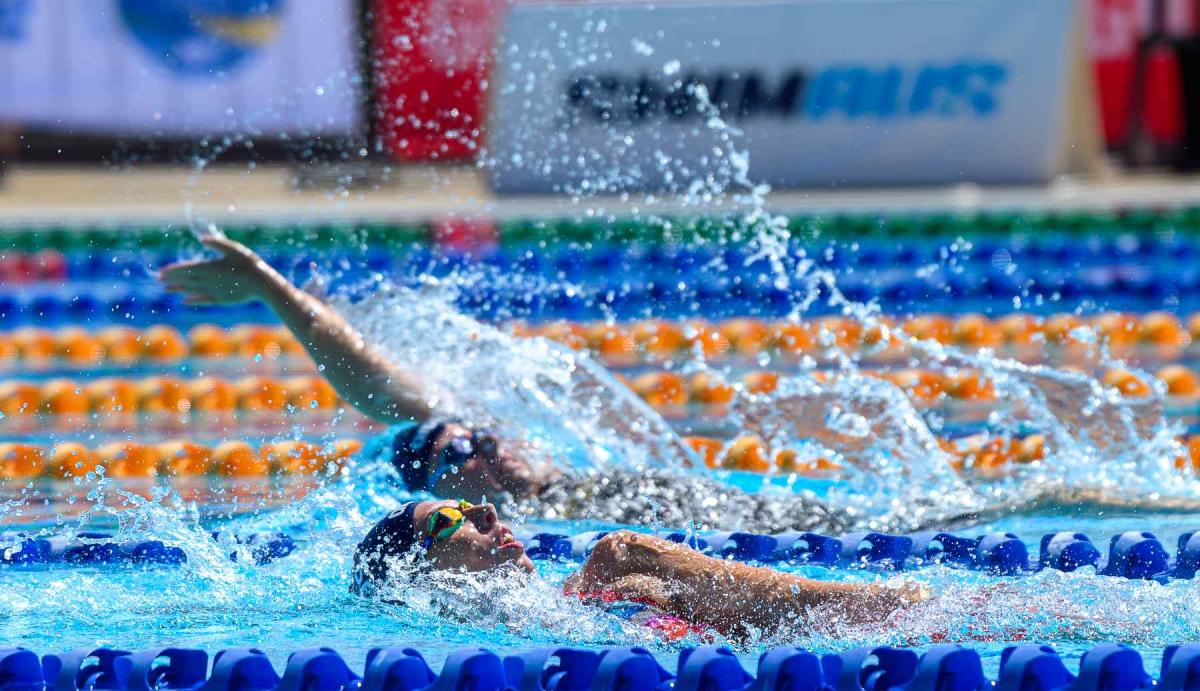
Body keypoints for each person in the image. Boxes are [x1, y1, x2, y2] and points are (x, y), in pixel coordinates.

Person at [159, 233, 868, 534]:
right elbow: (378, 394)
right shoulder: (525, 539)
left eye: (475, 435)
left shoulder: (577, 482)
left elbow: (383, 381)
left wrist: (272, 286)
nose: (481, 445)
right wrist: (268, 287)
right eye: (456, 454)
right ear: (446, 496)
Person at [349, 498, 925, 640]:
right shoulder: (463, 634)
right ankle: (896, 607)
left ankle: (887, 606)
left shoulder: (586, 588)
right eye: (448, 518)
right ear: (415, 572)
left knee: (617, 553)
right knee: (617, 553)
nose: (485, 511)